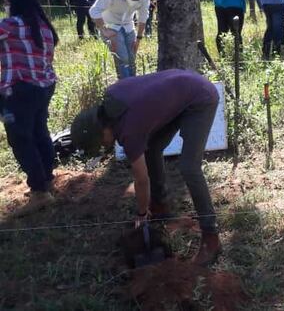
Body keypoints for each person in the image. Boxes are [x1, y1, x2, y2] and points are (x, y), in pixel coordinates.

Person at [70, 70, 222, 266]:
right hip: (185, 90)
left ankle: (211, 237)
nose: (105, 146)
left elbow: (141, 179)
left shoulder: (128, 129)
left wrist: (141, 213)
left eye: (101, 143)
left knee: (189, 167)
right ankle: (160, 206)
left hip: (200, 97)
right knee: (152, 149)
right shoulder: (111, 100)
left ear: (101, 130)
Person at [0, 0, 59, 215]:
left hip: (20, 89)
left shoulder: (11, 24)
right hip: (44, 86)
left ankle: (39, 191)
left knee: (21, 138)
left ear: (13, 3)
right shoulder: (44, 27)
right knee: (39, 131)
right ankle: (46, 178)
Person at [89, 0, 150, 79]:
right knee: (122, 57)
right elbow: (94, 10)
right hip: (111, 26)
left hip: (128, 26)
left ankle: (133, 83)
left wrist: (138, 39)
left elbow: (142, 18)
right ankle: (124, 85)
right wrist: (104, 30)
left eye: (136, 0)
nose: (133, 2)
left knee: (132, 56)